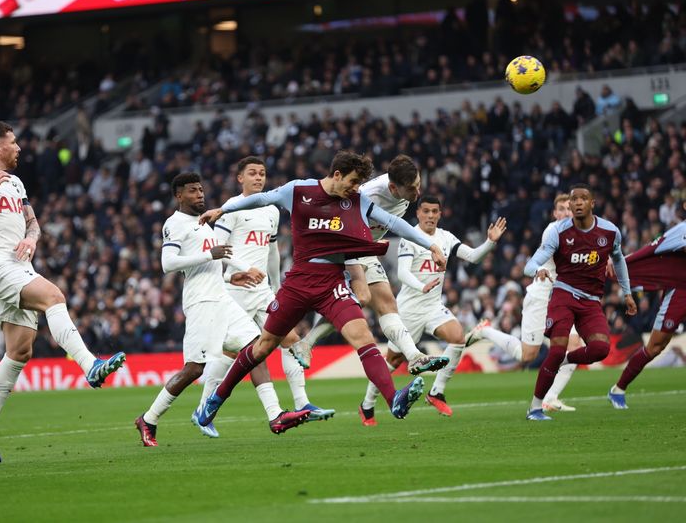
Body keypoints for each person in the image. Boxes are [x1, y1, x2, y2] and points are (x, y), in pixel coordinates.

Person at [195, 151, 449, 430]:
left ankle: (394, 400)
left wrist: (432, 245)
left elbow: (393, 223)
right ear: (337, 175)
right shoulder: (298, 190)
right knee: (264, 345)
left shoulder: (356, 200)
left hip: (333, 283)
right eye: (352, 182)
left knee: (362, 336)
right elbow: (261, 198)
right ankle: (215, 400)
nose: (355, 189)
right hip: (300, 281)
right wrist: (223, 209)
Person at [0, 121, 126, 463]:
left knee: (20, 351)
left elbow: (33, 222)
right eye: (13, 143)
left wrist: (31, 238)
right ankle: (89, 366)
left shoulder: (16, 181)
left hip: (20, 265)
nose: (19, 148)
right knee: (54, 296)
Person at [135, 173, 311, 447]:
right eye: (193, 191)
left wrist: (234, 275)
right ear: (179, 196)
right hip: (201, 303)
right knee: (194, 369)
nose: (200, 195)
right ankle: (149, 418)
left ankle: (275, 415)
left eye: (201, 190)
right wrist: (210, 255)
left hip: (222, 297)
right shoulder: (175, 223)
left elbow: (213, 265)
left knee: (257, 347)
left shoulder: (204, 224)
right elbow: (168, 263)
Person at [202, 156, 335, 426]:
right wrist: (244, 268)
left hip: (262, 290)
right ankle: (205, 408)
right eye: (252, 173)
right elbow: (217, 250)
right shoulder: (231, 209)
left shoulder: (272, 210)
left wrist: (276, 285)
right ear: (240, 178)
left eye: (262, 173)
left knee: (291, 340)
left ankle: (302, 403)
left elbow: (271, 250)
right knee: (231, 354)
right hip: (235, 289)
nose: (258, 177)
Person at [291, 155, 449, 377]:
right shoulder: (369, 195)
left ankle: (414, 357)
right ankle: (307, 343)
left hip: (366, 248)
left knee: (387, 303)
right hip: (345, 246)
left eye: (418, 185)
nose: (418, 193)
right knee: (362, 297)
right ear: (393, 187)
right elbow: (338, 217)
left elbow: (397, 224)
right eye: (412, 189)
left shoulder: (403, 189)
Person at [358, 195, 506, 423]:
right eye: (425, 211)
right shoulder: (410, 237)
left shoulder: (445, 238)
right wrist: (422, 286)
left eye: (434, 211)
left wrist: (490, 242)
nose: (430, 216)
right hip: (409, 310)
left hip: (434, 306)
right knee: (392, 362)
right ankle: (367, 405)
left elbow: (474, 257)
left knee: (457, 337)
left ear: (440, 214)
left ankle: (436, 392)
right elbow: (402, 273)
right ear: (418, 213)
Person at [523, 184, 636, 421]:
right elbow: (530, 264)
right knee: (555, 349)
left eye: (583, 199)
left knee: (600, 349)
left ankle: (565, 359)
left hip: (591, 301)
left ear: (592, 203)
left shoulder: (610, 231)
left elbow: (619, 260)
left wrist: (627, 292)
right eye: (574, 200)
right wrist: (539, 270)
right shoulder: (558, 232)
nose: (578, 203)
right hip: (563, 295)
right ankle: (534, 408)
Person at [466, 194, 582, 413]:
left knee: (575, 346)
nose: (567, 212)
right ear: (555, 213)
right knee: (527, 355)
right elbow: (529, 266)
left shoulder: (581, 234)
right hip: (541, 297)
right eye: (562, 209)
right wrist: (539, 270)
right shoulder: (553, 232)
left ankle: (550, 398)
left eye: (570, 208)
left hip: (563, 299)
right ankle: (487, 331)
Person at [608, 210, 686, 408]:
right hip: (681, 289)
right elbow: (652, 250)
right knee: (656, 346)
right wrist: (621, 263)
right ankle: (618, 389)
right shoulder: (682, 230)